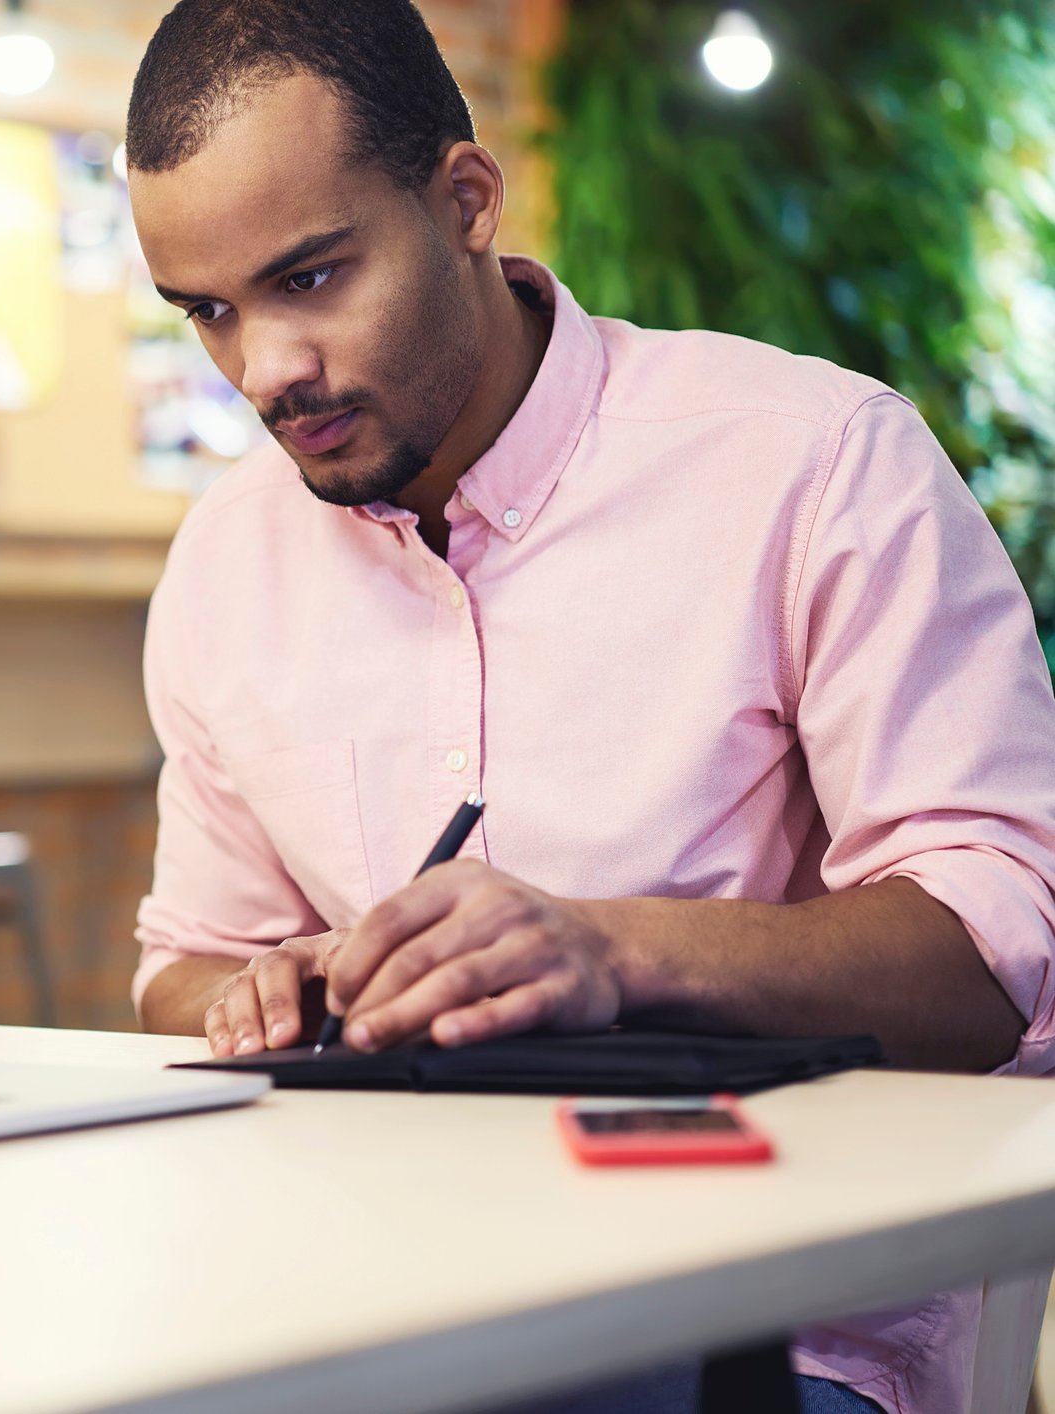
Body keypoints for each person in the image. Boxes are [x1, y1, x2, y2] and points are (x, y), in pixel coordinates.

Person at [121, 3, 1055, 1412]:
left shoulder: (813, 465)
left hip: (766, 1321)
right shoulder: (225, 563)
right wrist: (271, 987)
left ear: (467, 202)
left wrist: (608, 952)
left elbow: (997, 956)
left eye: (309, 278)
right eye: (209, 310)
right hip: (367, 1301)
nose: (262, 371)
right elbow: (183, 966)